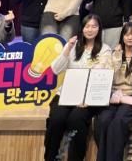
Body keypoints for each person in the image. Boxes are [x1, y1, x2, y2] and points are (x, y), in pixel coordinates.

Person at [45, 14, 113, 161]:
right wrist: (67, 49)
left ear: (99, 29)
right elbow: (55, 70)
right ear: (82, 28)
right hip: (66, 94)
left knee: (75, 119)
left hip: (88, 98)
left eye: (94, 26)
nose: (90, 30)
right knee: (57, 119)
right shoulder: (72, 46)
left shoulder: (105, 50)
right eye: (87, 26)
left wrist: (87, 98)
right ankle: (50, 157)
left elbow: (101, 76)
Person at [94, 21, 132, 161]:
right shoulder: (115, 54)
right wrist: (117, 57)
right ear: (122, 37)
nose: (130, 38)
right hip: (114, 95)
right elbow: (110, 77)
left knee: (119, 121)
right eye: (126, 35)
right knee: (103, 120)